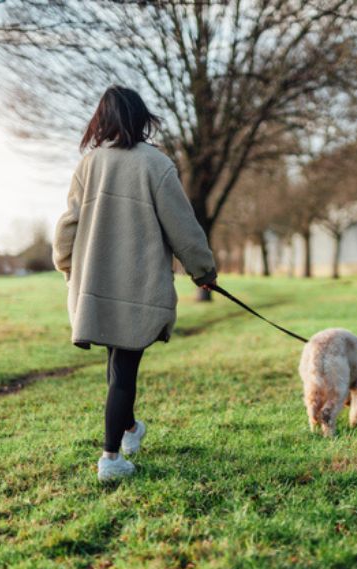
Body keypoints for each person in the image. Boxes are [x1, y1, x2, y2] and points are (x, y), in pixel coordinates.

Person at [52, 86, 217, 482]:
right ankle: (111, 458)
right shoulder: (155, 165)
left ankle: (129, 431)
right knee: (123, 370)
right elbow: (183, 226)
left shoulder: (88, 165)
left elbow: (67, 225)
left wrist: (66, 265)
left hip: (95, 284)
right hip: (138, 286)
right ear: (141, 119)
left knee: (117, 366)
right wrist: (203, 270)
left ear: (102, 121)